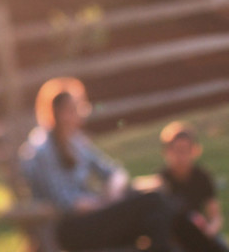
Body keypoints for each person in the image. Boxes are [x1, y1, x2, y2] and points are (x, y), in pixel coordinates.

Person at [20, 77, 176, 252]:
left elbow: (113, 171)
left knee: (160, 212)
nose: (79, 114)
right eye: (74, 109)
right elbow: (64, 202)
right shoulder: (43, 150)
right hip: (73, 230)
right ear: (60, 113)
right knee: (154, 202)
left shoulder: (75, 142)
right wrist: (102, 203)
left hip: (96, 219)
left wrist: (113, 190)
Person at [158, 121, 229, 252]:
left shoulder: (202, 177)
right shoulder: (161, 179)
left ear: (194, 151)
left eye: (184, 150)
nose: (180, 156)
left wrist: (210, 230)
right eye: (176, 150)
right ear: (167, 152)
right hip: (175, 236)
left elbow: (215, 216)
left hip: (197, 230)